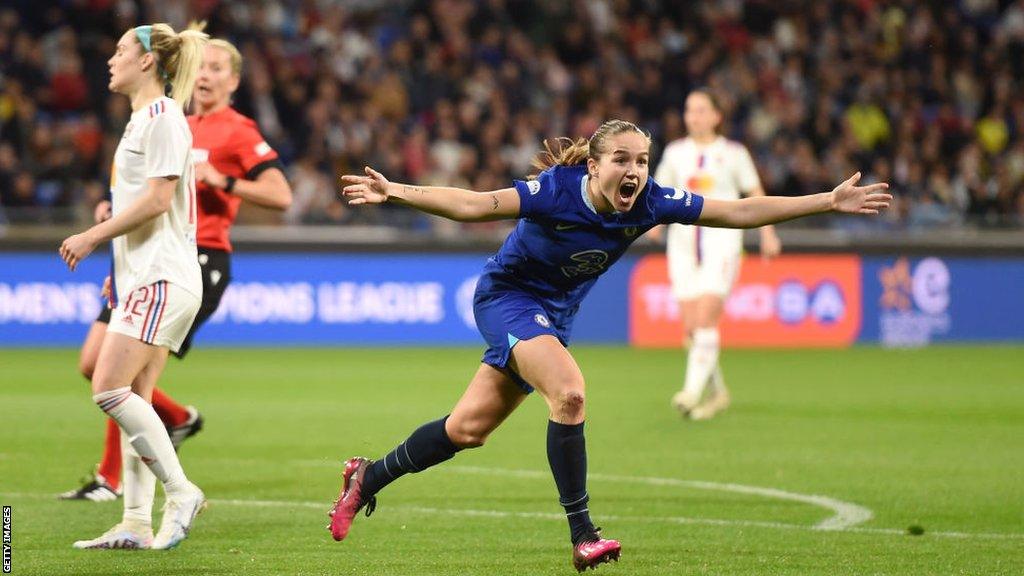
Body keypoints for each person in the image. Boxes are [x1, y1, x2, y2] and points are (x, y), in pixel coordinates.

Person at [327, 119, 891, 572]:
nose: (635, 171)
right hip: (509, 298)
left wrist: (825, 201)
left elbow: (736, 211)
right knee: (569, 394)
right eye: (622, 160)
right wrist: (396, 191)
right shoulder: (555, 191)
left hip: (554, 315)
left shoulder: (650, 202)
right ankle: (584, 535)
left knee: (467, 430)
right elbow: (476, 204)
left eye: (642, 161)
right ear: (594, 165)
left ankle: (367, 477)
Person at [60, 38, 292, 502]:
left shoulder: (238, 130)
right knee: (97, 364)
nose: (205, 74)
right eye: (200, 66)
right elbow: (148, 193)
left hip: (196, 260)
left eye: (218, 67)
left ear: (235, 81)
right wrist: (114, 205)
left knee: (130, 375)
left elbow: (281, 195)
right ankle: (180, 421)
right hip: (144, 255)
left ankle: (117, 483)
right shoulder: (172, 122)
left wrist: (224, 180)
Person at [58, 22, 209, 550]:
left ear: (147, 61)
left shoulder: (163, 117)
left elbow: (158, 201)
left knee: (108, 387)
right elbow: (141, 209)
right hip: (143, 277)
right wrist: (118, 273)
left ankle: (182, 491)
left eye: (120, 49)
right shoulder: (142, 121)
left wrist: (91, 236)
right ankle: (136, 522)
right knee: (136, 398)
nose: (111, 58)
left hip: (164, 278)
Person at [655, 89, 781, 421]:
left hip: (722, 243)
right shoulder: (675, 152)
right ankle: (717, 392)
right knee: (691, 329)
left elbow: (754, 193)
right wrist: (650, 226)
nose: (693, 116)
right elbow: (656, 193)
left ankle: (691, 392)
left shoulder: (733, 153)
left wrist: (767, 232)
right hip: (682, 244)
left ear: (716, 116)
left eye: (700, 110)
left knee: (706, 319)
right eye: (688, 109)